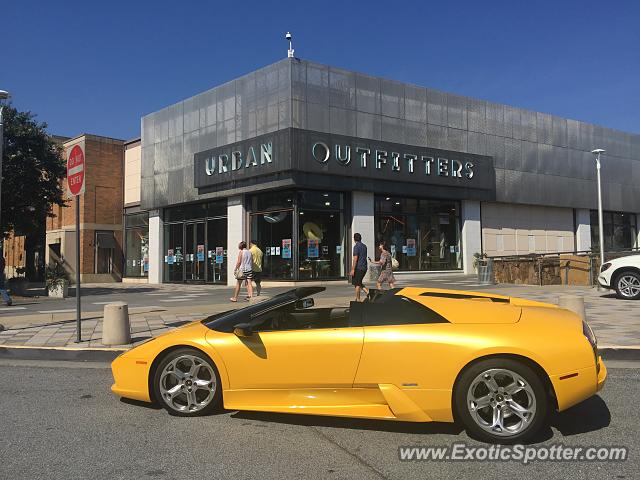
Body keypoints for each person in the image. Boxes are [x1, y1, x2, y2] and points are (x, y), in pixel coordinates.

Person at [350, 233, 369, 302]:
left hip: (358, 267)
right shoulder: (364, 246)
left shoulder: (356, 247)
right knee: (359, 282)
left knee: (357, 284)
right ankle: (368, 292)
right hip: (364, 267)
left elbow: (355, 258)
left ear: (354, 239)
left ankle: (358, 300)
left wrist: (352, 269)